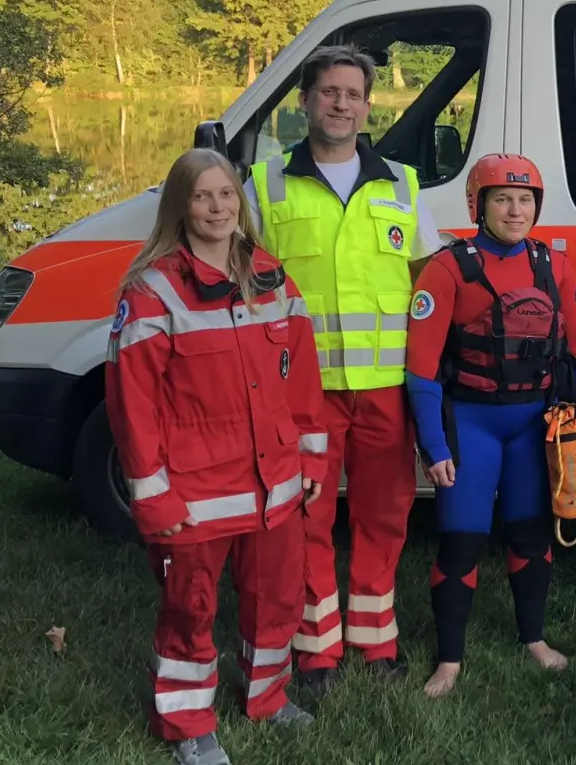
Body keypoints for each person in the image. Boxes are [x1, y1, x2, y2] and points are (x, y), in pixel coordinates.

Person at [106, 149, 329, 765]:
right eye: (202, 196)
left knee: (277, 597)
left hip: (275, 481)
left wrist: (311, 458)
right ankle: (188, 725)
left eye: (226, 194)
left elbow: (301, 379)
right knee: (191, 607)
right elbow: (133, 406)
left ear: (241, 202)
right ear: (179, 206)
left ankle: (267, 696)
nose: (217, 207)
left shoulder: (271, 276)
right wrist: (153, 496)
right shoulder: (152, 290)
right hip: (196, 492)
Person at [245, 44, 441, 690]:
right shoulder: (266, 186)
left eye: (352, 94)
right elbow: (245, 289)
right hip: (305, 393)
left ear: (367, 106)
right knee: (308, 516)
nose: (340, 104)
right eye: (328, 91)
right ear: (304, 102)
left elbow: (427, 289)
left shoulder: (403, 185)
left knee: (384, 517)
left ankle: (374, 641)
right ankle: (317, 649)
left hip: (385, 390)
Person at [404, 154, 576, 698]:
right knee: (461, 541)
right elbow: (421, 371)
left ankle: (533, 639)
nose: (515, 210)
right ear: (479, 205)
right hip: (471, 424)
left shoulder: (554, 266)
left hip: (532, 427)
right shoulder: (447, 269)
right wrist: (434, 444)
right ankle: (449, 660)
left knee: (531, 533)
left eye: (525, 200)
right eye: (502, 199)